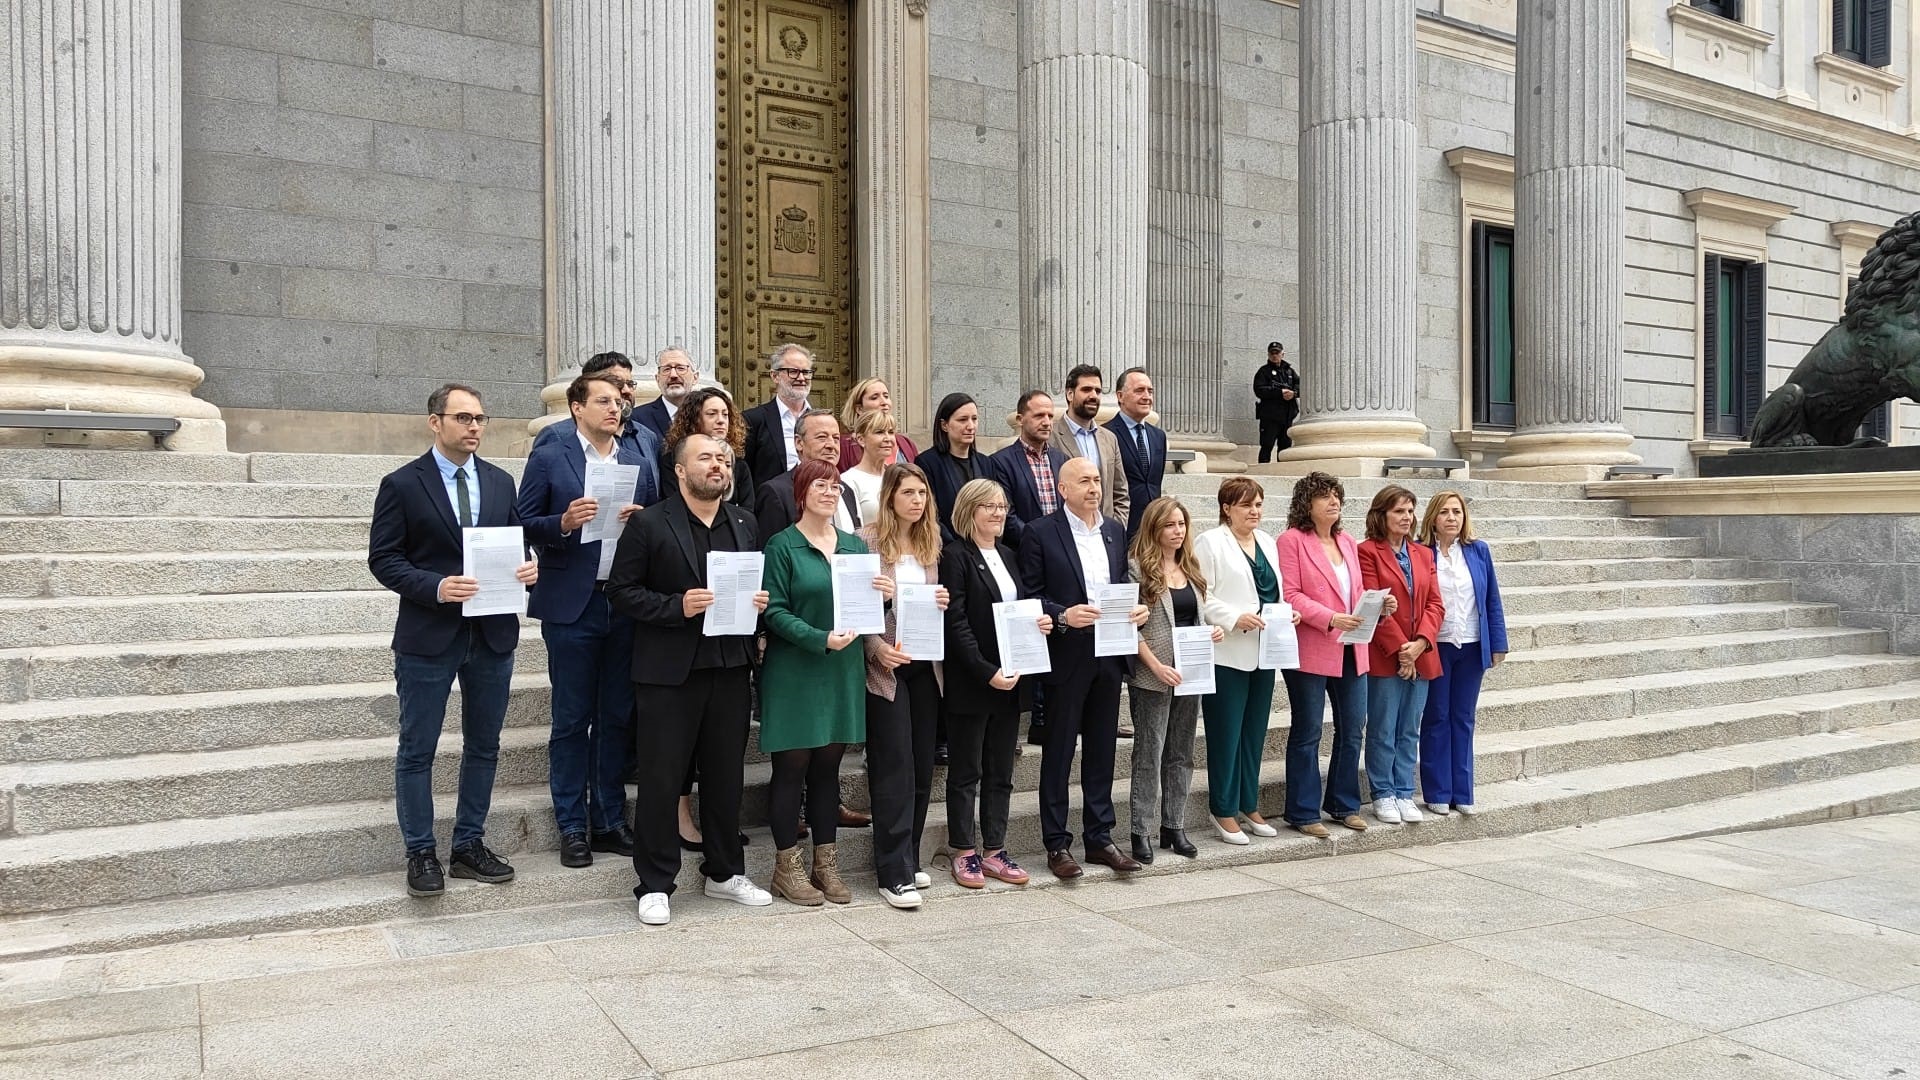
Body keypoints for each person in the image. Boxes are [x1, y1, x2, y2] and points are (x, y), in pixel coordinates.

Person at [367, 383, 537, 897]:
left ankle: (469, 845)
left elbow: (516, 542)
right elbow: (384, 559)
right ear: (435, 422)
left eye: (480, 418)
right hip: (429, 634)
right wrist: (436, 587)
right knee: (417, 748)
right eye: (463, 418)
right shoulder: (402, 484)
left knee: (484, 746)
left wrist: (529, 568)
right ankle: (420, 851)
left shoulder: (500, 481)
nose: (474, 427)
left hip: (492, 633)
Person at [604, 435, 773, 925]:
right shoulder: (649, 523)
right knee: (661, 780)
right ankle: (655, 883)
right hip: (668, 673)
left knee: (726, 777)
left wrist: (758, 604)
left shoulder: (744, 521)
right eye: (706, 458)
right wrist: (675, 606)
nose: (718, 465)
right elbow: (621, 591)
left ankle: (725, 872)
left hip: (730, 665)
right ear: (680, 470)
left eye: (723, 459)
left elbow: (750, 586)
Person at [516, 371, 656, 869]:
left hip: (624, 601)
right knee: (573, 718)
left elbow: (659, 519)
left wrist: (643, 519)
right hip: (573, 603)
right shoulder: (551, 455)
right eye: (603, 401)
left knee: (616, 715)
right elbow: (522, 522)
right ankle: (572, 825)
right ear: (577, 408)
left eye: (618, 401)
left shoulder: (637, 458)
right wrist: (563, 522)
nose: (615, 408)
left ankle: (609, 820)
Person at [760, 459, 887, 906]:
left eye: (835, 486)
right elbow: (773, 611)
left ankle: (825, 864)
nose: (830, 492)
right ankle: (786, 867)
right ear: (801, 492)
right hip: (795, 670)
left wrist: (883, 599)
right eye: (820, 485)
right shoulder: (782, 545)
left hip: (840, 670)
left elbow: (864, 610)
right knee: (791, 769)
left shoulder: (854, 546)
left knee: (828, 771)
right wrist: (819, 638)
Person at [1019, 457, 1149, 880]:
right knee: (1058, 751)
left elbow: (1120, 585)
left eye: (1097, 480)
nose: (1094, 488)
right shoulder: (1040, 532)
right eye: (1084, 481)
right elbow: (1030, 594)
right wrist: (1062, 615)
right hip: (1066, 655)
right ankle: (1057, 843)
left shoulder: (1114, 530)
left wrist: (1136, 609)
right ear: (1063, 489)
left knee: (1102, 749)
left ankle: (1100, 837)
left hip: (1110, 652)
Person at [940, 478, 1047, 889]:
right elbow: (956, 623)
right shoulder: (955, 556)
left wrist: (1038, 623)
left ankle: (994, 849)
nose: (999, 513)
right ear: (970, 511)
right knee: (966, 770)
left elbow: (1019, 610)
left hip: (1012, 677)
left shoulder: (1009, 555)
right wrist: (987, 671)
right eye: (990, 506)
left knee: (1001, 771)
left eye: (1002, 506)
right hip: (974, 680)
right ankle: (962, 849)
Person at [857, 463, 947, 908]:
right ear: (890, 496)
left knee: (922, 764)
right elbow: (854, 608)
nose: (917, 501)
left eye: (922, 493)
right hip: (886, 667)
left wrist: (942, 600)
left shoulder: (932, 543)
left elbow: (933, 601)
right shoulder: (866, 541)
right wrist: (876, 648)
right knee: (894, 764)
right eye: (908, 492)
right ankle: (892, 873)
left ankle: (908, 857)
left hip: (926, 664)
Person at [1275, 472, 1381, 838]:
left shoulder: (1347, 540)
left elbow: (1357, 590)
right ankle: (1303, 811)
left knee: (1353, 727)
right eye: (1324, 496)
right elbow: (1290, 594)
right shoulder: (1291, 540)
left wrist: (1378, 605)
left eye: (1336, 495)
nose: (1334, 501)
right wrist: (1330, 617)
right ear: (1307, 504)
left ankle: (1343, 804)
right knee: (1308, 730)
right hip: (1312, 645)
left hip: (1353, 646)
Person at [1194, 477, 1297, 846]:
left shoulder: (1267, 541)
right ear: (1227, 508)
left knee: (1253, 734)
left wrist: (1287, 613)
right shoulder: (1210, 542)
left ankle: (1248, 803)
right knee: (1226, 735)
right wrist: (1233, 617)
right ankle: (1222, 808)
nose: (1254, 511)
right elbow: (1201, 594)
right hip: (1228, 652)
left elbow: (1274, 593)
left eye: (1258, 505)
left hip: (1264, 652)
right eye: (1246, 505)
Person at [1126, 496, 1221, 863]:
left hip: (1190, 672)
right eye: (1169, 525)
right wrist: (1154, 665)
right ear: (1154, 528)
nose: (1177, 531)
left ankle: (1174, 826)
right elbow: (1130, 629)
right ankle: (1141, 830)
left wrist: (1210, 632)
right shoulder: (1137, 569)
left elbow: (1194, 618)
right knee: (1149, 754)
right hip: (1153, 674)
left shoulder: (1191, 567)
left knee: (1181, 753)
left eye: (1181, 524)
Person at [1358, 485, 1444, 825]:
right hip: (1385, 656)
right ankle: (1383, 792)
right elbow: (1372, 602)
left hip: (1421, 654)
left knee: (1410, 727)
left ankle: (1405, 791)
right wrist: (1400, 650)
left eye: (1410, 511)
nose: (1407, 517)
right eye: (1399, 511)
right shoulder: (1367, 552)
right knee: (1382, 727)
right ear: (1381, 515)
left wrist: (1420, 643)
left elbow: (1436, 603)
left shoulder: (1423, 553)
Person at [1419, 490, 1504, 816]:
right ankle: (1438, 791)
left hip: (1471, 644)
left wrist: (1497, 643)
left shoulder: (1478, 550)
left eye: (1457, 511)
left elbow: (1491, 599)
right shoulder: (1422, 552)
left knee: (1464, 717)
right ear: (1433, 518)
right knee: (1437, 715)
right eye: (1444, 512)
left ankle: (1463, 792)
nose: (1451, 517)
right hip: (1436, 644)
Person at [532, 351, 663, 500]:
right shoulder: (557, 435)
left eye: (630, 384)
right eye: (617, 382)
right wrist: (566, 515)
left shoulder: (646, 437)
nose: (626, 390)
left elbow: (652, 501)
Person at [754, 409, 862, 543]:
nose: (831, 445)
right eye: (822, 437)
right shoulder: (776, 493)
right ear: (799, 443)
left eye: (836, 438)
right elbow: (771, 550)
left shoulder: (846, 490)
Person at [1050, 364, 1130, 528]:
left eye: (1098, 391)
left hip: (1104, 534)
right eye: (1086, 390)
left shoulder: (1110, 439)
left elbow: (1120, 492)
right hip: (1067, 532)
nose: (1093, 396)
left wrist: (1114, 528)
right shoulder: (1051, 437)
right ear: (1070, 394)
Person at [989, 390, 1069, 552]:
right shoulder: (1000, 462)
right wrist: (1039, 543)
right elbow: (1007, 515)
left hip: (1061, 551)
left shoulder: (1062, 460)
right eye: (1039, 416)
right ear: (1020, 419)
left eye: (1050, 416)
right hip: (1022, 552)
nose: (1047, 422)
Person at [663, 386, 752, 509]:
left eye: (725, 414)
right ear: (694, 419)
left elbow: (747, 510)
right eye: (712, 414)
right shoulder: (672, 460)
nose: (721, 420)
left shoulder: (739, 464)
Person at [743, 342, 818, 488]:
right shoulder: (753, 420)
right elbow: (745, 475)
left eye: (806, 372)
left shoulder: (820, 421)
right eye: (793, 372)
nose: (801, 378)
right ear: (775, 376)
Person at [1106, 367, 1168, 544]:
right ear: (1120, 396)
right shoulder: (1106, 435)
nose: (1147, 396)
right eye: (1139, 390)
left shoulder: (1159, 436)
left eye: (1150, 391)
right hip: (1121, 530)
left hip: (1153, 531)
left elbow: (1154, 484)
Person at [918, 392, 983, 545]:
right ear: (944, 425)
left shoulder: (986, 463)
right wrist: (955, 547)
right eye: (962, 420)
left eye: (974, 419)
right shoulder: (927, 462)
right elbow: (930, 513)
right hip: (948, 549)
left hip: (982, 546)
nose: (971, 426)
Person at [837, 377, 920, 468]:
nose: (884, 402)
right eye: (874, 398)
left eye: (886, 396)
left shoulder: (906, 443)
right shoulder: (844, 446)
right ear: (859, 409)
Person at [839, 410, 898, 525]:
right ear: (861, 439)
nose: (888, 438)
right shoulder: (848, 480)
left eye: (891, 432)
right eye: (879, 432)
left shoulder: (898, 476)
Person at [632, 346, 698, 440]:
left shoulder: (706, 416)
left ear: (695, 378)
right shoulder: (637, 418)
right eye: (666, 369)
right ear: (657, 379)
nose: (673, 375)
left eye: (680, 368)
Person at [1253, 342, 1301, 463]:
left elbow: (1301, 386)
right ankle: (1263, 469)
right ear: (1268, 354)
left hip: (1287, 416)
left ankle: (1283, 470)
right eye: (1272, 353)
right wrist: (1279, 392)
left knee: (1285, 447)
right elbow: (1259, 390)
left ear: (1282, 354)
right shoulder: (1263, 371)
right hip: (1270, 417)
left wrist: (1294, 393)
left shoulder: (1290, 372)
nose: (1275, 355)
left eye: (1277, 353)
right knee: (1267, 445)